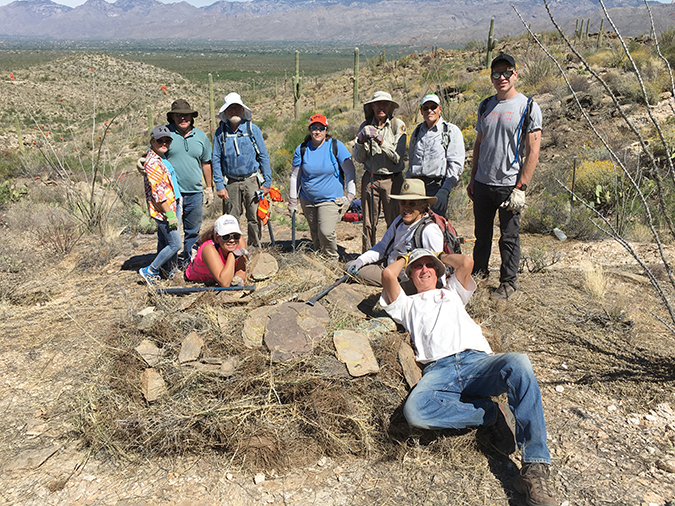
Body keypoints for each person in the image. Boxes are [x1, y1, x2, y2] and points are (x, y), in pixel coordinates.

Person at [380, 248, 557, 506]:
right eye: (418, 267)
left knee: (519, 363)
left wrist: (439, 254)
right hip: (439, 370)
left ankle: (534, 468)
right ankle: (491, 413)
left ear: (439, 271)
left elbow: (466, 262)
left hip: (477, 362)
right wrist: (406, 258)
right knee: (415, 412)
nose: (425, 269)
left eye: (430, 265)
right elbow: (387, 274)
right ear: (410, 274)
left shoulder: (452, 292)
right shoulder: (406, 305)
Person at [467, 53, 542, 300]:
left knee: (509, 236)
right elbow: (479, 143)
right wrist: (472, 177)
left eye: (507, 72)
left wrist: (521, 186)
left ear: (515, 75)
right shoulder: (486, 105)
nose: (502, 77)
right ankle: (479, 275)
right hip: (483, 181)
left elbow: (533, 149)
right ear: (491, 77)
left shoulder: (528, 106)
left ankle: (508, 282)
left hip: (509, 184)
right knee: (482, 235)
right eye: (497, 73)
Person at [345, 179, 443, 294]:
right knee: (348, 268)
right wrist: (361, 260)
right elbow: (382, 247)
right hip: (388, 269)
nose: (406, 208)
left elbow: (438, 265)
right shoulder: (398, 221)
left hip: (410, 279)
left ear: (423, 207)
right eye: (403, 203)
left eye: (412, 203)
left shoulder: (429, 230)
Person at [288, 114, 356, 259]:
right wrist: (293, 200)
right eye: (314, 128)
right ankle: (320, 259)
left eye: (321, 128)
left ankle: (331, 259)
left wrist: (350, 196)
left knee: (325, 231)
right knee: (315, 231)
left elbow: (350, 171)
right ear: (310, 129)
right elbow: (295, 176)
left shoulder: (335, 146)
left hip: (331, 199)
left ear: (326, 130)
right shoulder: (302, 149)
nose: (317, 132)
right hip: (307, 199)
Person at [212, 92, 272, 249]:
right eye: (230, 108)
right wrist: (219, 185)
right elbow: (216, 159)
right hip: (230, 182)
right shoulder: (220, 133)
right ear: (225, 112)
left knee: (254, 217)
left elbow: (263, 156)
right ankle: (233, 250)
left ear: (242, 109)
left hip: (251, 180)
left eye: (237, 108)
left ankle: (255, 248)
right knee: (231, 219)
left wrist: (267, 182)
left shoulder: (252, 129)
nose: (234, 111)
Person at [353, 91, 407, 252]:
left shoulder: (398, 125)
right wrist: (361, 142)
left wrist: (381, 141)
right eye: (378, 104)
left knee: (394, 220)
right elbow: (359, 158)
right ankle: (368, 255)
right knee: (369, 222)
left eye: (384, 104)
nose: (381, 107)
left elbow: (398, 157)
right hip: (371, 178)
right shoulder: (365, 126)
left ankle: (394, 254)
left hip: (393, 179)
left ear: (390, 106)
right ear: (372, 106)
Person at [164, 99, 213, 267]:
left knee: (192, 232)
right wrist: (143, 160)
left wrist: (209, 188)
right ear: (173, 117)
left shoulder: (200, 136)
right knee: (169, 232)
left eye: (186, 115)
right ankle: (166, 267)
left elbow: (206, 163)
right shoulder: (166, 134)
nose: (182, 118)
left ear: (192, 117)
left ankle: (189, 264)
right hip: (171, 195)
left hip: (194, 192)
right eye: (178, 115)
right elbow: (154, 154)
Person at [407, 93, 465, 218]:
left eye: (433, 107)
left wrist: (445, 190)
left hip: (437, 186)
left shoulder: (450, 131)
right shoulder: (417, 132)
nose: (429, 111)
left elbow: (455, 163)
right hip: (417, 187)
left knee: (435, 225)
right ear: (421, 111)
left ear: (440, 109)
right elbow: (411, 161)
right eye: (425, 108)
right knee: (414, 224)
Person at [139, 126, 182, 285]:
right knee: (175, 244)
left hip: (173, 205)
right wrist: (169, 214)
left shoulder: (159, 157)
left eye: (167, 140)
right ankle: (150, 270)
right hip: (165, 210)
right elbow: (158, 192)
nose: (164, 143)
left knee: (168, 242)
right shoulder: (153, 162)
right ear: (152, 141)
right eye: (160, 140)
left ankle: (171, 272)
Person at [184, 214, 248, 287]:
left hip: (220, 276)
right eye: (226, 236)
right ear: (216, 237)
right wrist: (232, 255)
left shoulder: (240, 241)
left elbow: (241, 272)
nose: (232, 240)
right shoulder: (208, 248)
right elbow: (225, 283)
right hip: (196, 279)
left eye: (236, 236)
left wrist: (237, 280)